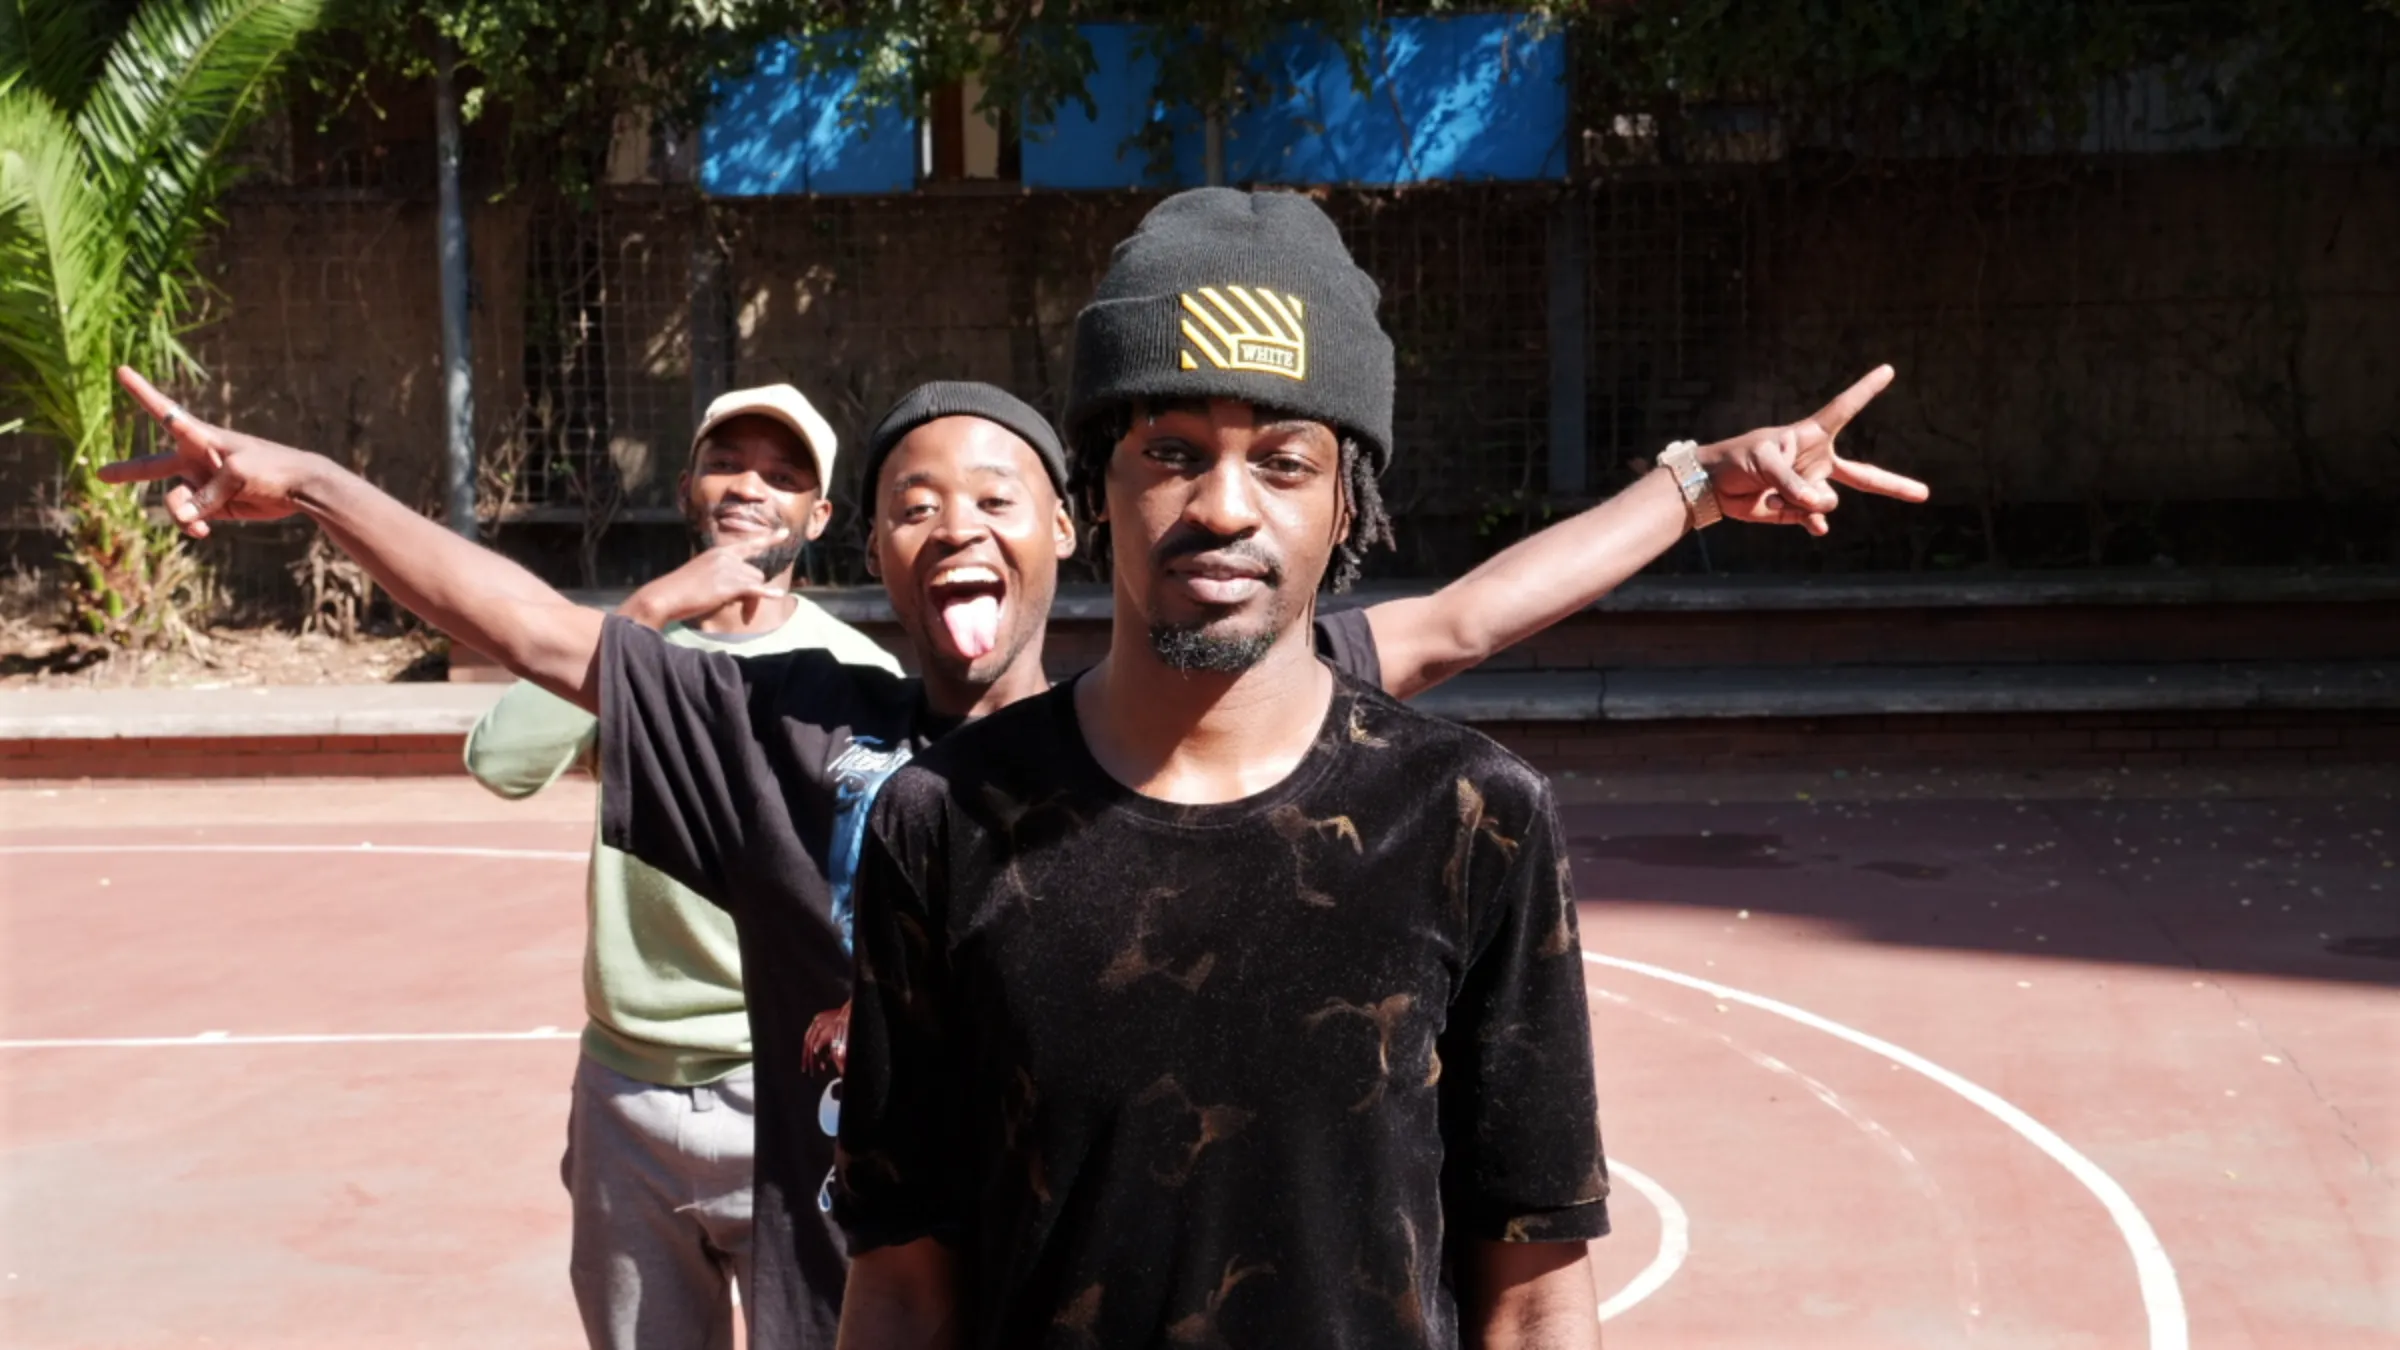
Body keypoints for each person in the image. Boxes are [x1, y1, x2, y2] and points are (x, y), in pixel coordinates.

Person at [102, 249, 1918, 1341]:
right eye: (907, 498)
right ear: (866, 550)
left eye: (994, 491)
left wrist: (1696, 482)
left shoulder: (1218, 709)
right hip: (870, 1258)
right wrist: (319, 485)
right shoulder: (795, 726)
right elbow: (537, 633)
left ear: (1070, 527)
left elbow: (1449, 618)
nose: (950, 519)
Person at [827, 189, 1923, 1349]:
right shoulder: (943, 822)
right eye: (1172, 452)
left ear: (1351, 497)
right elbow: (901, 1286)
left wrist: (1693, 487)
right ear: (1097, 482)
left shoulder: (1467, 820)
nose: (1225, 507)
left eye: (1286, 461)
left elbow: (1535, 1290)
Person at [462, 384, 898, 1350]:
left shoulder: (856, 676)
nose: (752, 487)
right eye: (728, 463)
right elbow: (500, 762)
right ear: (689, 485)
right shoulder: (626, 644)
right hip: (626, 1090)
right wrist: (648, 614)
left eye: (784, 477)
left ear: (818, 517)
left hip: (784, 1094)